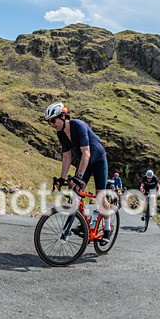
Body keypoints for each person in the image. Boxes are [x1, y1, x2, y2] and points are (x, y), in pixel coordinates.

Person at [46, 102, 113, 243]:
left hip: (98, 159)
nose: (52, 124)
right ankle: (84, 222)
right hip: (86, 161)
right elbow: (66, 157)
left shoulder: (78, 125)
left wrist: (79, 176)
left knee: (100, 196)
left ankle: (107, 229)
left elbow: (86, 153)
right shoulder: (61, 133)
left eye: (53, 120)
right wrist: (61, 178)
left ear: (62, 117)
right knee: (75, 188)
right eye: (49, 122)